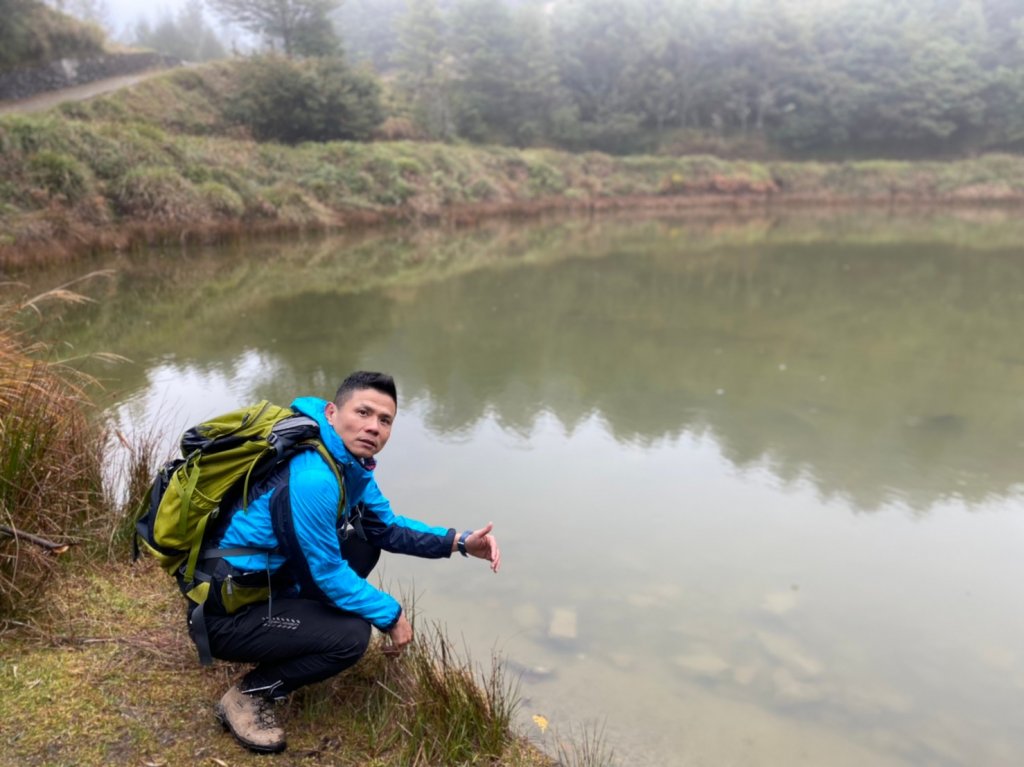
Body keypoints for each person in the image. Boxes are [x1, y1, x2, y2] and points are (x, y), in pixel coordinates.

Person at [197, 371, 501, 753]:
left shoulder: (348, 463)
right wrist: (392, 615)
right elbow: (324, 573)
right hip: (224, 615)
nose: (373, 427)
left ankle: (299, 634)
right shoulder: (314, 477)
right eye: (363, 412)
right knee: (351, 637)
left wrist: (459, 542)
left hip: (265, 583)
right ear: (332, 412)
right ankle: (248, 695)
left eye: (385, 420)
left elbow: (387, 528)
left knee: (363, 542)